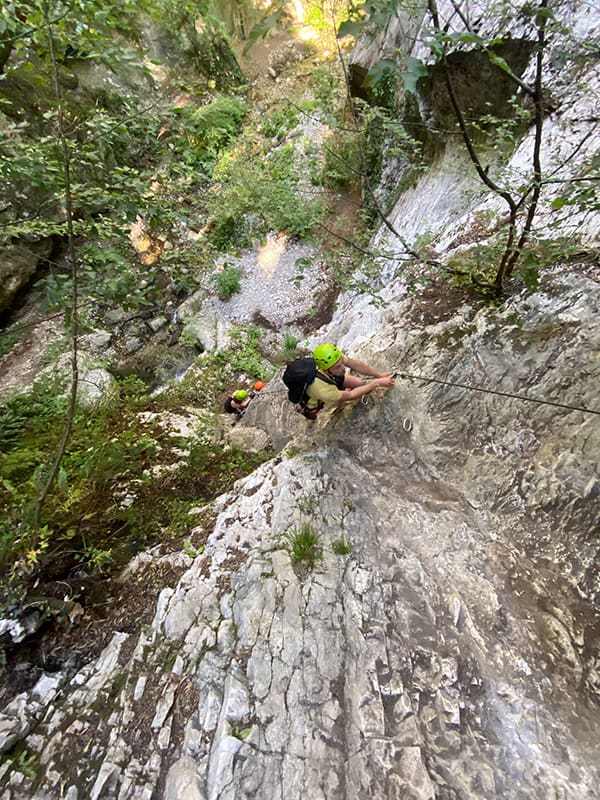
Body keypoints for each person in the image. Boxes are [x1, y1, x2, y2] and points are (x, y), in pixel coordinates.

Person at [304, 343, 395, 420]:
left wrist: (379, 375)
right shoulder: (323, 391)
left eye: (341, 364)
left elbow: (356, 365)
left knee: (360, 383)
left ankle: (341, 388)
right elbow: (351, 395)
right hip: (319, 395)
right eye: (338, 367)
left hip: (332, 378)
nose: (344, 368)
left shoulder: (333, 360)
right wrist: (376, 383)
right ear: (326, 370)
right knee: (345, 398)